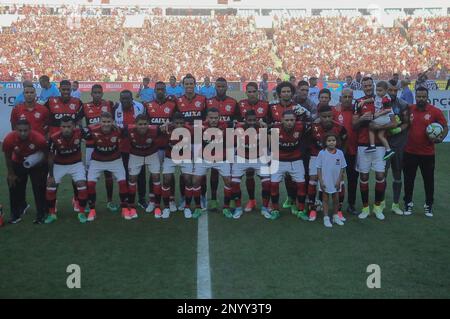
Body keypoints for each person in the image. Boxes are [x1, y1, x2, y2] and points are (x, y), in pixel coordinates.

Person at [352, 77, 396, 220]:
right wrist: (362, 119)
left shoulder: (384, 99)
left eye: (370, 85)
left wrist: (380, 126)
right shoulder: (359, 102)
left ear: (374, 85)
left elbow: (394, 122)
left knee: (380, 176)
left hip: (380, 146)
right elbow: (354, 125)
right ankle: (365, 208)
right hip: (363, 145)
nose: (368, 88)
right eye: (365, 85)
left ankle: (377, 207)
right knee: (363, 177)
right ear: (362, 87)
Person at [403, 87, 448, 217]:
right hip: (410, 152)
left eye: (423, 97)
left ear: (427, 97)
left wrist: (441, 138)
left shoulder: (435, 111)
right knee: (408, 180)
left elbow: (445, 126)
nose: (421, 99)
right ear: (415, 97)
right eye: (418, 96)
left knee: (428, 180)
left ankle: (428, 205)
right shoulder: (410, 109)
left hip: (427, 153)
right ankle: (408, 204)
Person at [85, 112, 129, 221]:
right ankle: (92, 210)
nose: (106, 124)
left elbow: (130, 130)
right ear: (100, 122)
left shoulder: (118, 130)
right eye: (104, 122)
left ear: (112, 122)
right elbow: (81, 132)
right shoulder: (93, 130)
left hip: (115, 160)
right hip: (97, 160)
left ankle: (124, 208)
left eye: (108, 122)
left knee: (123, 182)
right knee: (90, 184)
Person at [3, 119, 48, 224]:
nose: (23, 133)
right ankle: (15, 215)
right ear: (15, 130)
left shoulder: (39, 139)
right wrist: (10, 173)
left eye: (25, 130)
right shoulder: (9, 139)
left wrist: (39, 163)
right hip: (18, 162)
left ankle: (41, 215)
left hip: (36, 164)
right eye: (20, 130)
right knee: (14, 186)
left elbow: (46, 154)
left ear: (30, 129)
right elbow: (8, 157)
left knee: (39, 188)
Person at [45, 116, 88, 224]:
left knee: (82, 184)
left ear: (73, 126)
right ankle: (52, 213)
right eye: (63, 127)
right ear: (60, 127)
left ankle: (81, 212)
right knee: (51, 186)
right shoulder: (54, 137)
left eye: (69, 126)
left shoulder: (80, 132)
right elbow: (50, 157)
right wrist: (51, 175)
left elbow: (94, 132)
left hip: (76, 163)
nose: (66, 129)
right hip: (59, 164)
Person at [192, 108, 233, 218]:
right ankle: (197, 207)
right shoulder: (200, 127)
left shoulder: (226, 126)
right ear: (207, 118)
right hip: (204, 158)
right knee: (195, 181)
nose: (214, 120)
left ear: (219, 118)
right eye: (211, 118)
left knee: (229, 181)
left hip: (221, 159)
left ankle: (226, 207)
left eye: (216, 118)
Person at [308, 105, 347, 222]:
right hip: (316, 155)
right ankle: (313, 208)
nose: (327, 119)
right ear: (319, 116)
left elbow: (344, 143)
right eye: (324, 116)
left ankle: (338, 210)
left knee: (340, 182)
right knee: (313, 179)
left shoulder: (340, 128)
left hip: (334, 156)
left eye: (329, 116)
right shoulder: (313, 127)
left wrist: (339, 157)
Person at [144, 81, 178, 213]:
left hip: (169, 145)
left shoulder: (172, 105)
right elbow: (144, 125)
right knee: (154, 174)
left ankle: (171, 199)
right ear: (155, 91)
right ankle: (153, 200)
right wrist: (158, 129)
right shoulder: (148, 105)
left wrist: (169, 126)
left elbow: (177, 123)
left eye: (162, 89)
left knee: (169, 174)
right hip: (154, 146)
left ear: (165, 91)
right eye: (158, 89)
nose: (160, 91)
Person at [83, 84, 117, 212]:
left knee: (108, 174)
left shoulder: (109, 104)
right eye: (95, 92)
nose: (97, 94)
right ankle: (88, 202)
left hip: (106, 144)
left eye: (99, 92)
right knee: (89, 176)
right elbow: (77, 122)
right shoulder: (85, 106)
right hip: (91, 145)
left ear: (102, 94)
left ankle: (109, 201)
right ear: (91, 94)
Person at [206, 77, 239, 210]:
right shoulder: (208, 102)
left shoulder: (233, 102)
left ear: (227, 87)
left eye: (223, 86)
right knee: (214, 172)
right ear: (215, 87)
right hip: (213, 142)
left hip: (229, 141)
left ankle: (230, 199)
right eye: (218, 86)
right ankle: (213, 199)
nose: (220, 89)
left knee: (228, 173)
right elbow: (205, 120)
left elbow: (237, 120)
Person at [175, 74, 207, 210]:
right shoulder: (178, 101)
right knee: (185, 174)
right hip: (185, 141)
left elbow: (206, 119)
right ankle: (183, 198)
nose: (189, 86)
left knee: (201, 172)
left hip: (199, 140)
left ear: (195, 85)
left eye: (191, 84)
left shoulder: (202, 99)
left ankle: (202, 197)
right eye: (186, 84)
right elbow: (177, 120)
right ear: (183, 85)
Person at [231, 110, 271, 219]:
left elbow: (267, 144)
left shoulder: (262, 128)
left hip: (258, 158)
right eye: (249, 120)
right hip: (241, 158)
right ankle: (238, 208)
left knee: (267, 183)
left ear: (257, 120)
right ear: (245, 120)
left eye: (254, 120)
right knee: (234, 183)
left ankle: (265, 207)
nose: (252, 122)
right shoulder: (238, 129)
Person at [125, 114, 166, 219]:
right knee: (132, 179)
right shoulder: (128, 129)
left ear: (149, 124)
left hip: (151, 154)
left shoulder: (156, 129)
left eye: (145, 124)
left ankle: (157, 206)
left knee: (156, 177)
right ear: (135, 125)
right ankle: (131, 206)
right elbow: (117, 132)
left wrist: (168, 125)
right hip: (135, 155)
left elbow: (167, 128)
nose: (142, 126)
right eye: (140, 124)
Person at [269, 110, 307, 220]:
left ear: (296, 120)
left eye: (292, 120)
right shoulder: (274, 128)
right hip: (279, 160)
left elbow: (312, 124)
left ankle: (300, 210)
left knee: (301, 184)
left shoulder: (301, 127)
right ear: (281, 120)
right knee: (274, 184)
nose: (289, 122)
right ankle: (275, 209)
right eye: (287, 120)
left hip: (296, 160)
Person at [238, 82, 270, 212]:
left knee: (266, 177)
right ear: (246, 92)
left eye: (253, 91)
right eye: (249, 91)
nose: (251, 94)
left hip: (262, 146)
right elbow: (236, 121)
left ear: (258, 92)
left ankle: (268, 204)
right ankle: (252, 201)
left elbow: (271, 123)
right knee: (249, 174)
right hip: (246, 145)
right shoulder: (240, 104)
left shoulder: (266, 105)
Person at [114, 90, 147, 210]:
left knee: (141, 175)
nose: (125, 101)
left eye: (127, 99)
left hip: (139, 147)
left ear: (132, 99)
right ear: (120, 99)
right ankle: (127, 198)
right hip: (123, 148)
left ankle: (142, 199)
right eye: (122, 99)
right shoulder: (116, 108)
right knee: (125, 175)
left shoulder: (140, 107)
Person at [160, 112, 195, 219]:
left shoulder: (190, 130)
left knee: (188, 180)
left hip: (185, 157)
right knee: (166, 180)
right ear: (172, 122)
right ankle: (167, 206)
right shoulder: (166, 129)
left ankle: (187, 207)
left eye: (181, 123)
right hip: (170, 158)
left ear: (184, 122)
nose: (179, 125)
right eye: (177, 123)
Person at [385, 79, 410, 215]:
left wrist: (398, 130)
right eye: (390, 90)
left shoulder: (403, 104)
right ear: (387, 89)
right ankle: (380, 203)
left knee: (397, 174)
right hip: (384, 145)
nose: (393, 92)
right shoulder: (380, 103)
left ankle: (395, 204)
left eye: (395, 90)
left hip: (399, 144)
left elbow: (406, 123)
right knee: (381, 174)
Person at [334, 88, 359, 215]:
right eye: (345, 96)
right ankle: (335, 206)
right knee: (336, 179)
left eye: (350, 97)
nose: (347, 99)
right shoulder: (335, 111)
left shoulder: (357, 111)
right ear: (340, 98)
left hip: (354, 151)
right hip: (338, 151)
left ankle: (351, 204)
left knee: (353, 179)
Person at [316, 132, 347, 228]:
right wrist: (321, 181)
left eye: (333, 140)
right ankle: (326, 217)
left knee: (336, 199)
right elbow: (318, 168)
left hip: (336, 181)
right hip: (325, 181)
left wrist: (339, 180)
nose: (331, 142)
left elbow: (342, 167)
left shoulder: (340, 153)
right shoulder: (322, 153)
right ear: (325, 142)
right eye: (329, 140)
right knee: (325, 199)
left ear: (336, 142)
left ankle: (335, 216)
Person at [360, 81, 395, 160]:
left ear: (386, 90)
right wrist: (364, 101)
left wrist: (378, 114)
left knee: (371, 125)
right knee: (380, 135)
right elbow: (372, 99)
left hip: (384, 117)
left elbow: (388, 110)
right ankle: (388, 150)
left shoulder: (385, 99)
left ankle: (372, 145)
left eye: (380, 90)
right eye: (377, 90)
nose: (378, 92)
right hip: (383, 118)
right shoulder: (378, 96)